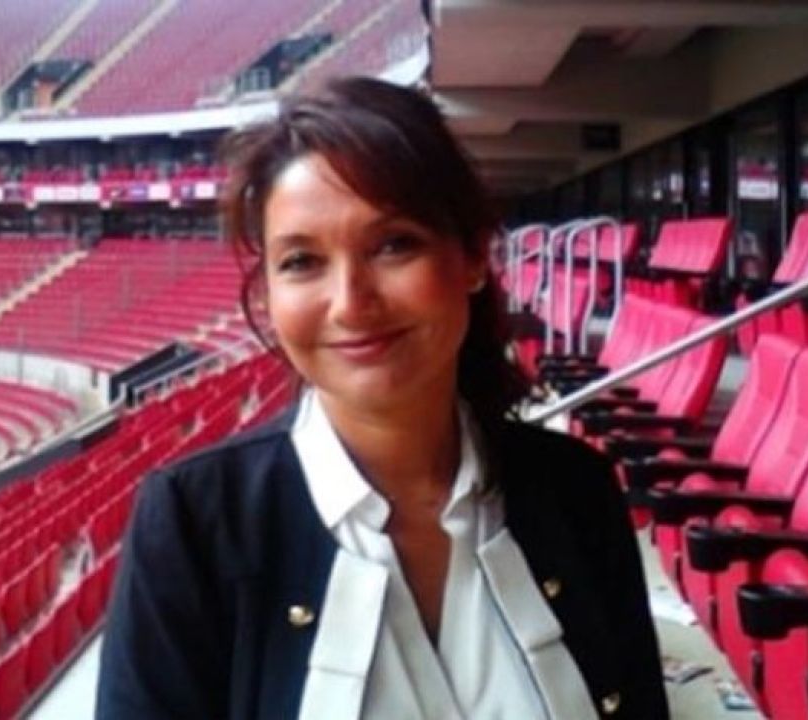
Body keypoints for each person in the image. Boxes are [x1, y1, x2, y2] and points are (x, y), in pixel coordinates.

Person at [96, 77, 668, 720]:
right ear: (268, 292)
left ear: (473, 257)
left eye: (394, 245)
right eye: (301, 261)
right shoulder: (193, 523)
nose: (351, 303)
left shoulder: (578, 491)